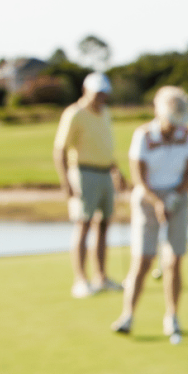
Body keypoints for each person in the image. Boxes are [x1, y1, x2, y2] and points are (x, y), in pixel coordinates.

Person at [111, 86, 188, 336]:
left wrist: (174, 197)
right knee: (144, 260)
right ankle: (127, 315)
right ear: (160, 113)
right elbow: (139, 177)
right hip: (147, 199)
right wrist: (157, 202)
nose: (174, 125)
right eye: (171, 119)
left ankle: (172, 316)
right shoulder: (144, 135)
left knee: (173, 260)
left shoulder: (186, 134)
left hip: (177, 198)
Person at [53, 72, 127, 298]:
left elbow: (104, 146)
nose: (101, 98)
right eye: (98, 94)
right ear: (86, 92)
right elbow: (60, 150)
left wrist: (117, 170)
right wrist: (66, 181)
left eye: (104, 94)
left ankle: (101, 277)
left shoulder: (105, 113)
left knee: (103, 225)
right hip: (83, 173)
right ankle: (80, 280)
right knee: (83, 225)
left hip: (105, 173)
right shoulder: (75, 113)